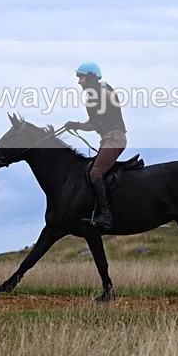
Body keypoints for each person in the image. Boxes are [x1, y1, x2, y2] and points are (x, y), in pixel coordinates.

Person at [63, 62, 127, 231]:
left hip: (115, 138)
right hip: (106, 139)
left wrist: (94, 86)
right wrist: (76, 125)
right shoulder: (91, 99)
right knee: (92, 172)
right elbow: (92, 124)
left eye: (81, 77)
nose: (78, 82)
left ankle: (106, 215)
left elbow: (108, 97)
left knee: (95, 172)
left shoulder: (105, 89)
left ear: (90, 76)